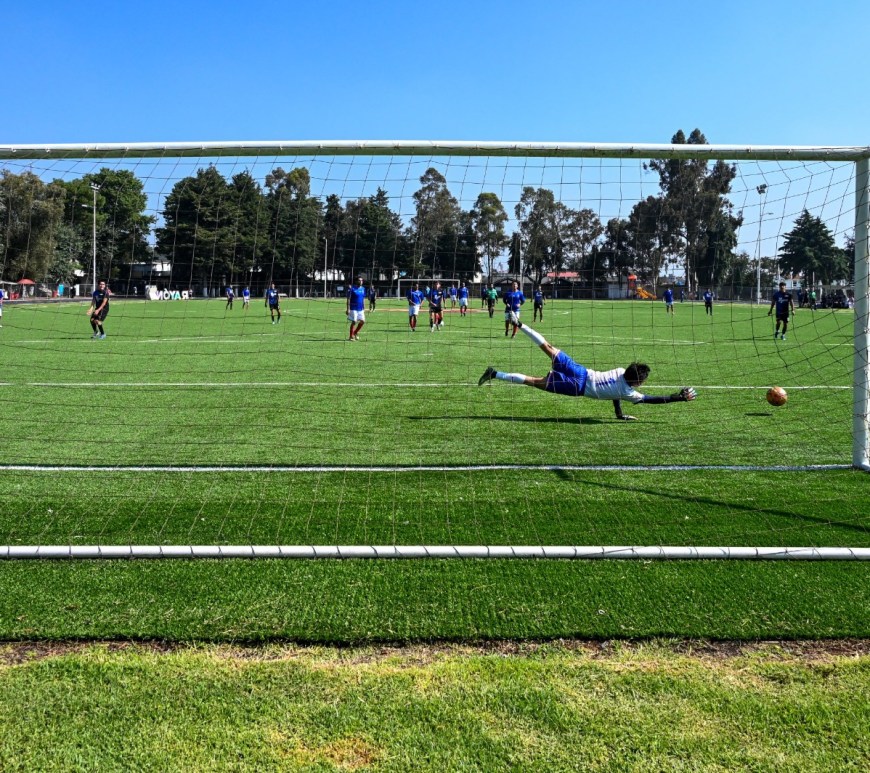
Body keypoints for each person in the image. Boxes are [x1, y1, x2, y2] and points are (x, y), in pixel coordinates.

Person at [478, 314, 697, 420]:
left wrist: (619, 413)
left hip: (580, 371)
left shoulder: (621, 372)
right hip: (577, 387)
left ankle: (521, 324)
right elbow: (652, 400)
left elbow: (616, 393)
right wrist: (678, 397)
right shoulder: (629, 392)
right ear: (638, 382)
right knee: (532, 381)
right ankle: (496, 374)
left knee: (549, 347)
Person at [346, 276, 367, 340]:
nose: (361, 281)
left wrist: (364, 307)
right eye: (359, 280)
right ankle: (351, 336)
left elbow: (363, 298)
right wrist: (348, 309)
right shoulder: (352, 289)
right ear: (356, 281)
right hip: (353, 308)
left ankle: (355, 332)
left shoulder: (363, 289)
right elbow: (348, 299)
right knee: (354, 321)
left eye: (362, 280)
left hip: (360, 308)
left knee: (363, 321)